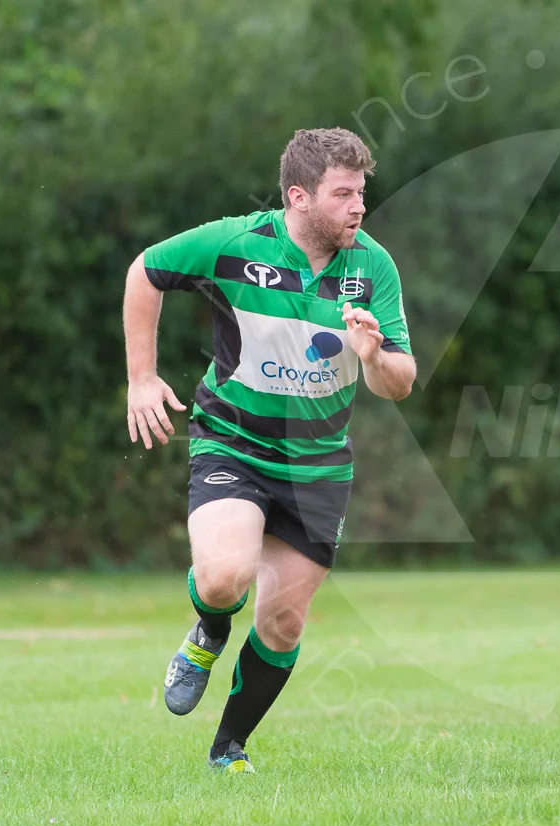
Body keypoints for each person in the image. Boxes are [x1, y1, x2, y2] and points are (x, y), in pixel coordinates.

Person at [122, 127, 415, 774]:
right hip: (234, 443)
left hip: (317, 467)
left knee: (284, 622)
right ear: (299, 196)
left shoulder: (373, 268)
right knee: (225, 579)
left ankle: (228, 750)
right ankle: (209, 630)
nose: (358, 208)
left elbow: (400, 382)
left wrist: (374, 356)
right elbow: (145, 270)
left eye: (361, 193)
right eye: (343, 195)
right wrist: (142, 378)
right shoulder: (237, 244)